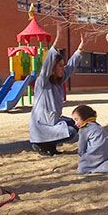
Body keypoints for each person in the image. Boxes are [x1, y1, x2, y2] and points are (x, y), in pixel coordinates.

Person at [29, 24, 84, 156]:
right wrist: (58, 39)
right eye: (59, 65)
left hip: (52, 122)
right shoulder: (42, 82)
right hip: (42, 126)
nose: (62, 67)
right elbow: (47, 64)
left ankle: (51, 145)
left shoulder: (58, 81)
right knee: (71, 131)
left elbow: (70, 67)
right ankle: (41, 144)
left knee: (75, 123)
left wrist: (80, 49)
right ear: (52, 68)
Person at [73, 105, 108, 174]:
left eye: (76, 120)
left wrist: (83, 158)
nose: (75, 123)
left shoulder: (84, 129)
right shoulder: (96, 125)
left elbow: (81, 148)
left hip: (98, 152)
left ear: (84, 118)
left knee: (82, 168)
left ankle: (106, 167)